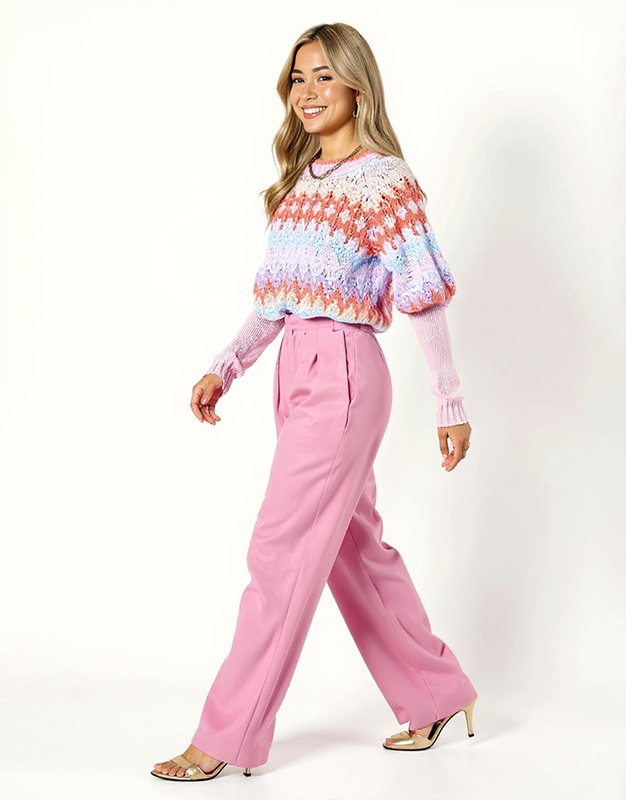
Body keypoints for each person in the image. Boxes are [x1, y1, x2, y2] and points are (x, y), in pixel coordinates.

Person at [151, 21, 477, 782]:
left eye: (324, 75)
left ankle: (225, 737)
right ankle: (437, 692)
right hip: (296, 371)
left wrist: (449, 402)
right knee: (351, 549)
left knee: (280, 550)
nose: (307, 91)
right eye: (298, 78)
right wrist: (226, 366)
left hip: (344, 374)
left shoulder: (383, 180)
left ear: (358, 85)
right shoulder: (302, 183)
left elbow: (423, 293)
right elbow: (277, 301)